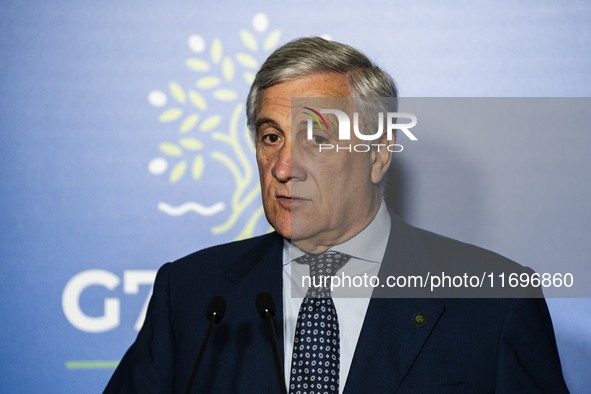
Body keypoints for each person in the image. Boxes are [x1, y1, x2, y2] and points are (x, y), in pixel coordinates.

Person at [105, 37, 568, 393]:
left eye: (317, 138)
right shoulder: (189, 294)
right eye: (271, 137)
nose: (284, 168)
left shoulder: (495, 302)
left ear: (378, 155)